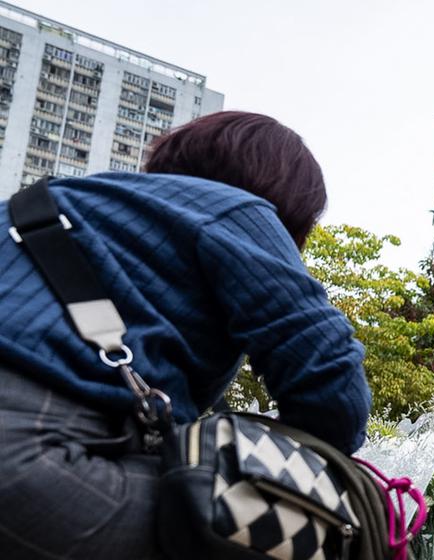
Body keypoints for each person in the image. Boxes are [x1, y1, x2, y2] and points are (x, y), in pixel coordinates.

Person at [0, 111, 372, 559]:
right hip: (30, 460)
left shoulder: (50, 203)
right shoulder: (237, 210)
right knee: (306, 528)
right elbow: (334, 390)